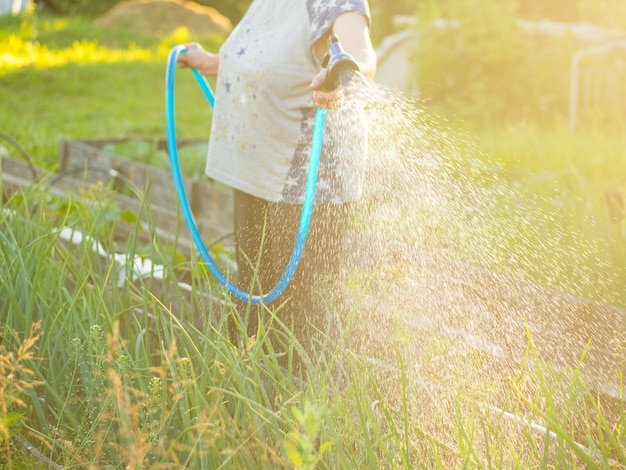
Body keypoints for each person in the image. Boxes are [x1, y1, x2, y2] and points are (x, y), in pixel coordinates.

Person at [177, 0, 377, 365]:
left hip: (305, 180)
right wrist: (212, 62)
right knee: (255, 289)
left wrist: (345, 79)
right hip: (259, 168)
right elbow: (268, 54)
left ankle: (303, 410)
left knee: (299, 314)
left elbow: (361, 55)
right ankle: (254, 402)